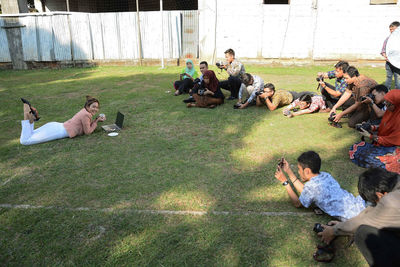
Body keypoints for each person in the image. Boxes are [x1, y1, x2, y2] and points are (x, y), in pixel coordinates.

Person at [318, 168, 400, 267]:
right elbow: (372, 212)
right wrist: (342, 224)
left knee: (363, 232)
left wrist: (333, 230)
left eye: (374, 202)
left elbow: (363, 221)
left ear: (380, 195)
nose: (374, 205)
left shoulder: (391, 202)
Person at [274, 151, 366, 221]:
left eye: (299, 169)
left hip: (354, 217)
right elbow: (306, 191)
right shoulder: (325, 175)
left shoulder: (312, 187)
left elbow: (297, 203)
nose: (298, 172)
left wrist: (285, 181)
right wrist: (288, 171)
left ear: (307, 171)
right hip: (360, 204)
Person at [20, 96, 106, 145]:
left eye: (97, 107)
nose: (96, 109)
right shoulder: (86, 115)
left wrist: (96, 119)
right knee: (25, 141)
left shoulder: (84, 111)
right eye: (93, 107)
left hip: (55, 126)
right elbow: (88, 132)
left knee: (31, 134)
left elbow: (85, 124)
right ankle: (27, 111)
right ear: (87, 107)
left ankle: (32, 114)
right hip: (57, 131)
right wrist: (96, 122)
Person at [349, 89, 400, 172]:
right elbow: (385, 126)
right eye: (385, 103)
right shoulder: (391, 111)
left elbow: (392, 140)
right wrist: (371, 127)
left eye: (389, 104)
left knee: (374, 158)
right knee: (357, 147)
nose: (386, 106)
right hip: (382, 144)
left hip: (393, 147)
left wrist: (370, 136)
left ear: (397, 104)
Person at [381, 21, 400, 90]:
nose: (391, 31)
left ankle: (398, 93)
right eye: (390, 29)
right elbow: (383, 49)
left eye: (393, 29)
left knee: (397, 78)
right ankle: (386, 91)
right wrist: (385, 55)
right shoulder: (388, 39)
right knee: (389, 77)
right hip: (389, 63)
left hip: (397, 64)